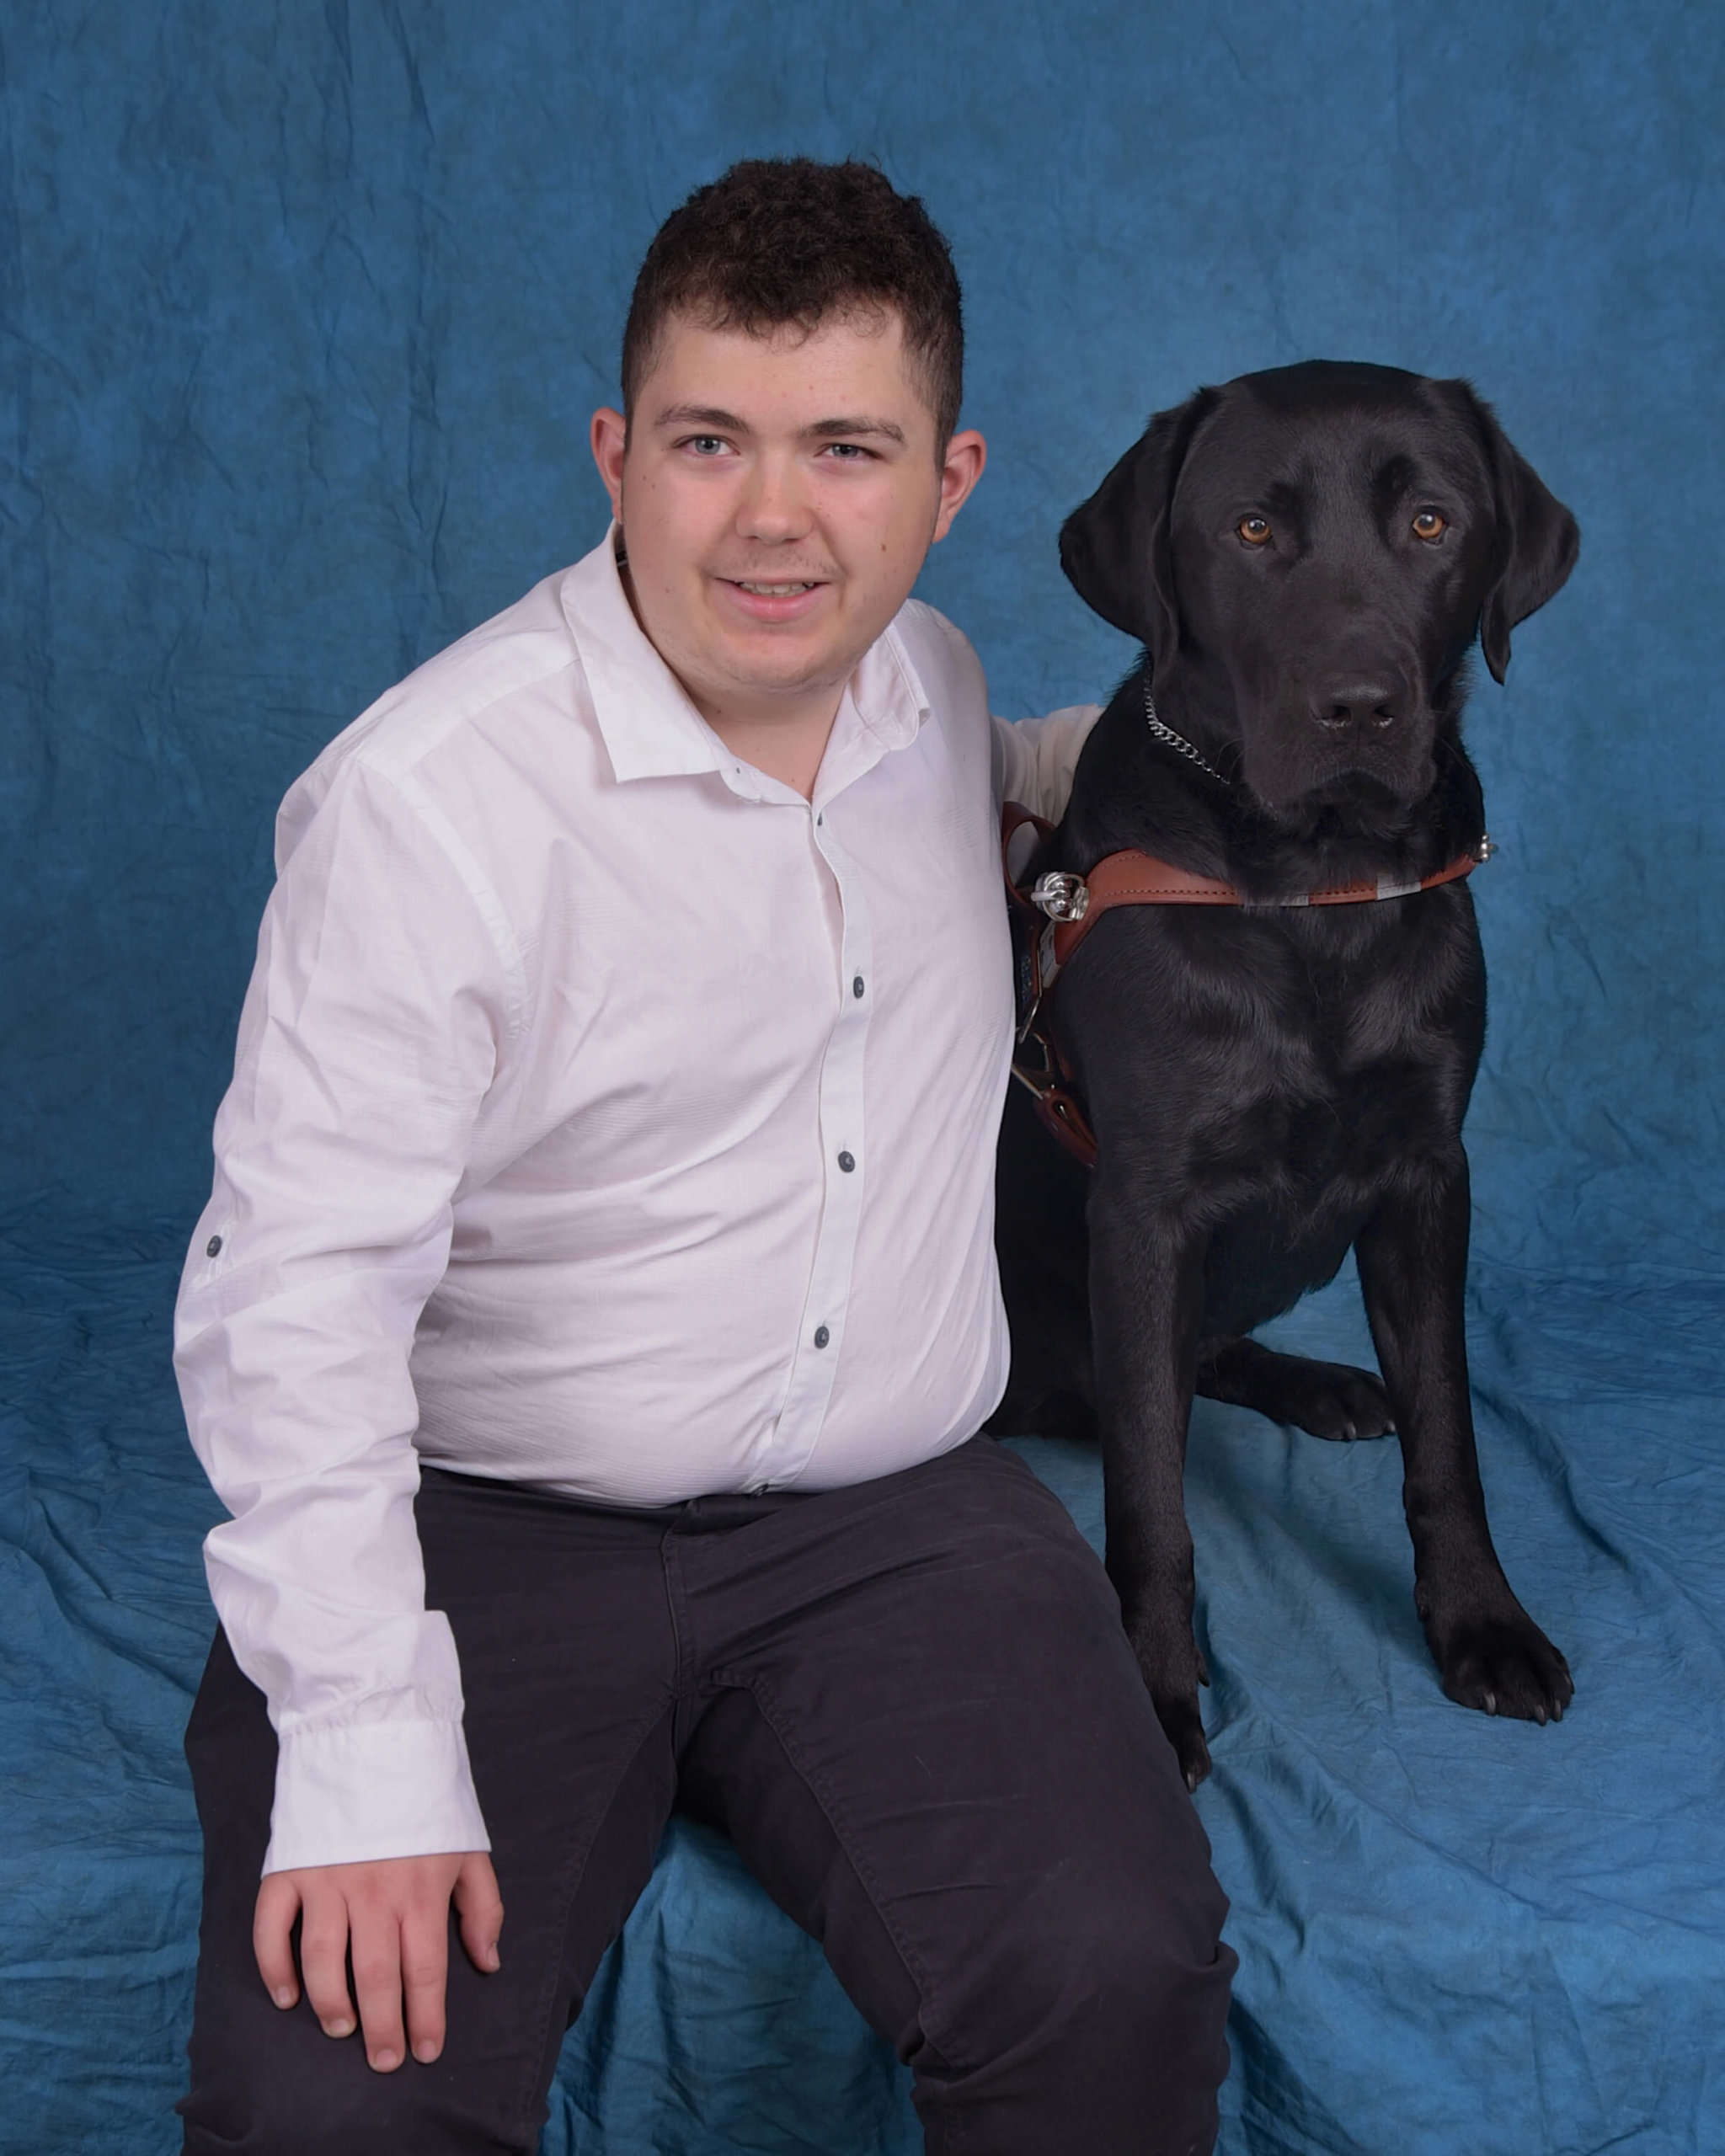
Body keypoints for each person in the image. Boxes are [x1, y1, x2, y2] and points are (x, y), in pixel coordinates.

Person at [174, 157, 1236, 2154]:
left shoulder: (922, 688)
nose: (772, 516)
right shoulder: (427, 806)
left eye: (846, 446)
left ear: (950, 480)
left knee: (1114, 1983)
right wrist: (359, 1737)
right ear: (614, 451)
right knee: (337, 2109)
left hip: (892, 1520)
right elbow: (289, 1305)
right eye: (707, 441)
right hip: (487, 1528)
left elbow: (1033, 785)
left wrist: (1268, 781)